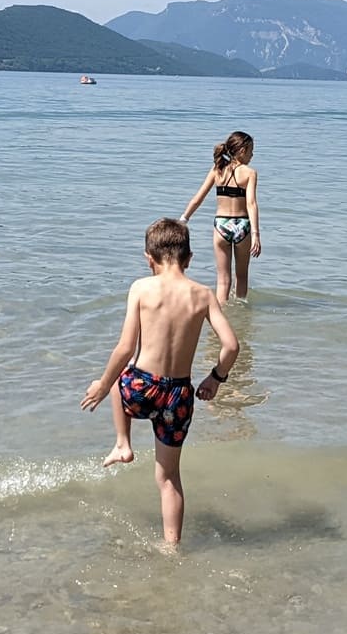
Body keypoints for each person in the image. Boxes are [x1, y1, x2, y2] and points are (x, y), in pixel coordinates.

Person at [81, 218, 240, 547]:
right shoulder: (204, 295)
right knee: (168, 478)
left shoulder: (141, 288)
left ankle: (123, 444)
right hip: (178, 396)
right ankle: (171, 546)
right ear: (189, 258)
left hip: (141, 389)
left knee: (116, 376)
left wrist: (102, 385)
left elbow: (125, 349)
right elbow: (231, 346)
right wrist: (215, 378)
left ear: (148, 258)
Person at [180, 129, 260, 303]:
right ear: (242, 151)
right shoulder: (250, 173)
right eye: (251, 151)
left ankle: (220, 312)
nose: (252, 155)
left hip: (221, 226)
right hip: (243, 226)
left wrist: (183, 219)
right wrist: (255, 234)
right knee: (241, 277)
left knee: (223, 280)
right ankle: (240, 314)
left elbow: (198, 198)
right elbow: (251, 204)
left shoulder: (217, 170)